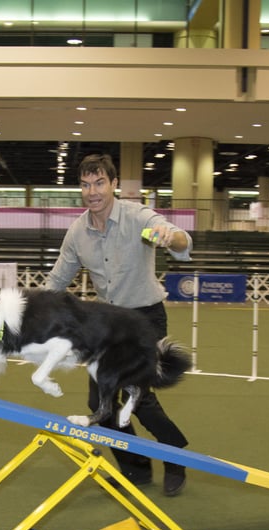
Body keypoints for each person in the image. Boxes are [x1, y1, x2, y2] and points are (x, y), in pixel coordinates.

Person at [43, 153, 193, 497]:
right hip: (106, 324)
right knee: (100, 405)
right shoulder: (78, 231)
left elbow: (179, 238)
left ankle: (175, 457)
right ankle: (135, 468)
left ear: (114, 185)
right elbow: (58, 279)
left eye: (99, 183)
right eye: (85, 184)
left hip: (144, 318)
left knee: (138, 396)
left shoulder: (137, 217)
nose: (92, 191)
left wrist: (171, 237)